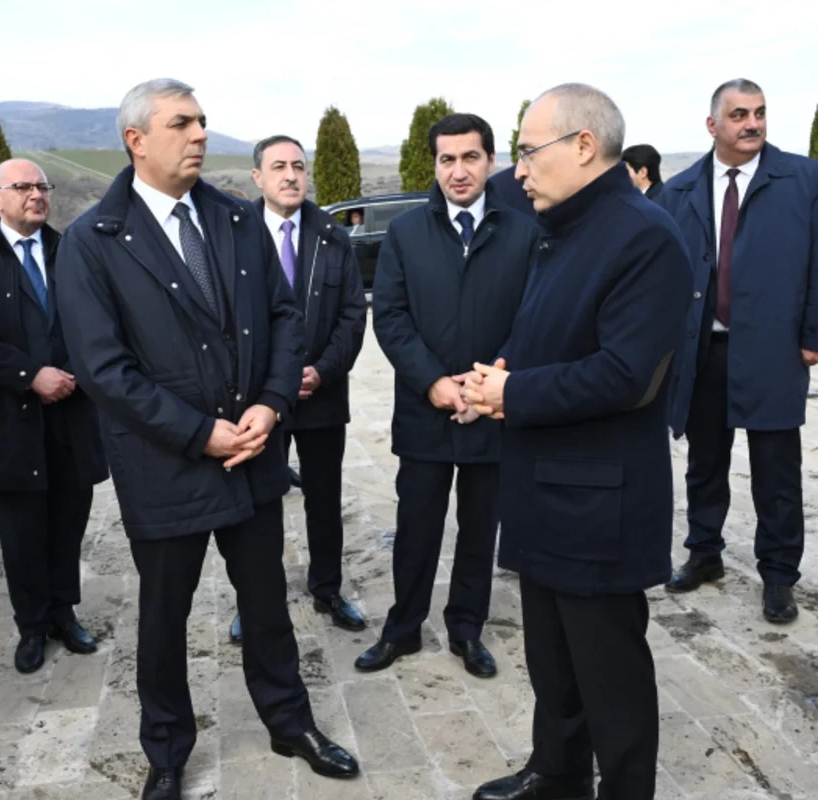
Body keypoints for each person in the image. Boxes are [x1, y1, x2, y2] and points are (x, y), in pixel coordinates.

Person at [56, 79, 359, 800]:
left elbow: (285, 318)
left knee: (266, 603)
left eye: (202, 122)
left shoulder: (233, 219)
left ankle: (290, 722)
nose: (198, 135)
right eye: (181, 124)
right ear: (136, 140)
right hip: (166, 467)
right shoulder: (91, 242)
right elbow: (103, 369)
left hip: (252, 453)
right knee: (164, 617)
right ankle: (166, 749)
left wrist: (272, 403)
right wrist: (199, 434)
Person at [463, 83, 691, 800]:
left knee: (610, 678)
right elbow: (551, 331)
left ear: (584, 146)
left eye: (530, 151)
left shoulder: (644, 236)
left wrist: (514, 394)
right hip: (544, 488)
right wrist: (505, 365)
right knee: (552, 661)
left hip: (600, 504)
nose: (519, 169)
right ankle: (556, 774)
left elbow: (628, 376)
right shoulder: (560, 228)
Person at [361, 113, 537, 678]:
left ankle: (467, 629)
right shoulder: (406, 234)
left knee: (480, 526)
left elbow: (534, 317)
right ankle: (403, 628)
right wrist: (433, 381)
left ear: (491, 161)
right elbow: (389, 316)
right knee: (417, 526)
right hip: (424, 410)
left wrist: (489, 382)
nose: (458, 171)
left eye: (470, 157)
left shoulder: (524, 233)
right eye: (446, 159)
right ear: (433, 165)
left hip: (494, 409)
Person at [659, 79, 818, 624]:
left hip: (774, 349)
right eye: (739, 115)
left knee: (777, 470)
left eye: (760, 113)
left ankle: (778, 577)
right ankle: (704, 553)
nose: (752, 123)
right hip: (703, 350)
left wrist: (812, 335)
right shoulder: (678, 191)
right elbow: (663, 277)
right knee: (705, 463)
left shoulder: (804, 179)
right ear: (713, 126)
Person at [0, 158, 107, 673]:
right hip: (10, 420)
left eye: (42, 186)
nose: (36, 194)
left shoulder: (74, 252)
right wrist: (32, 375)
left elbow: (99, 320)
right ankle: (31, 625)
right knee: (21, 533)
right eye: (23, 187)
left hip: (72, 413)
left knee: (67, 523)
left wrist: (71, 372)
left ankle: (64, 613)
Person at [227, 134, 367, 647]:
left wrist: (321, 371)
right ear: (257, 178)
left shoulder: (333, 235)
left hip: (320, 395)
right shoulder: (234, 234)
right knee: (259, 503)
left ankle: (327, 588)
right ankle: (254, 601)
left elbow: (353, 315)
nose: (290, 175)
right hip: (260, 401)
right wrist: (274, 383)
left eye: (298, 166)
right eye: (278, 166)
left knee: (324, 500)